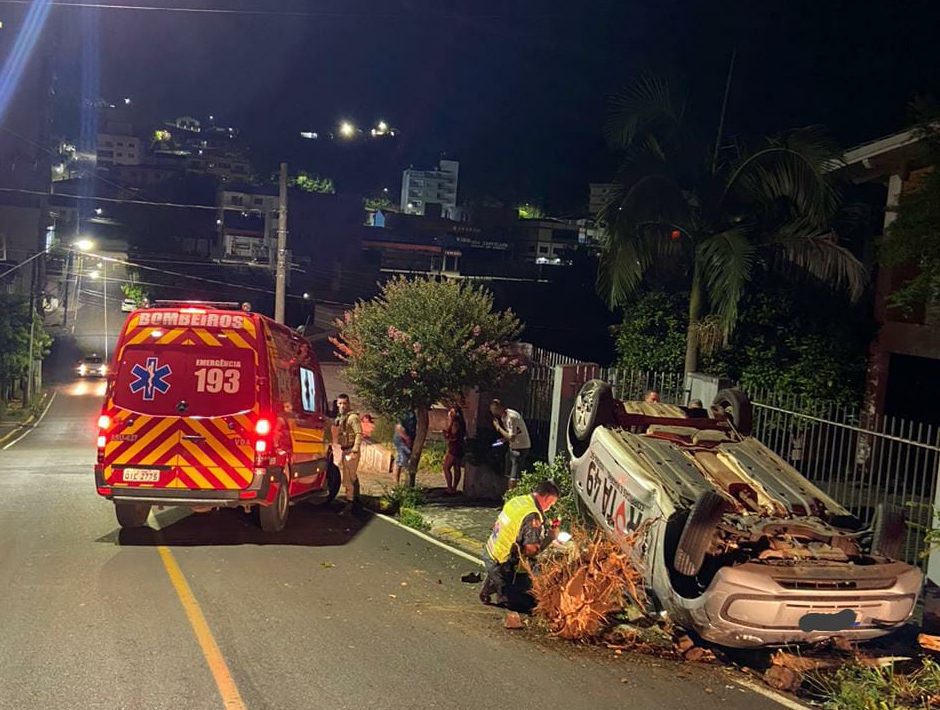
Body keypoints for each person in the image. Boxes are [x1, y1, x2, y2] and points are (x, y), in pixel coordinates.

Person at [480, 480, 560, 606]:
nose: (550, 507)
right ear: (545, 497)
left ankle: (494, 583)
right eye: (551, 503)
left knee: (511, 570)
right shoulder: (532, 516)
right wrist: (550, 538)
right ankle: (504, 590)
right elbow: (531, 550)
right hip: (503, 564)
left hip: (491, 552)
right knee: (529, 603)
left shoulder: (519, 500)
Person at [490, 399, 531, 490]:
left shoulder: (511, 417)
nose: (492, 412)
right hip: (512, 446)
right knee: (508, 473)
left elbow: (512, 437)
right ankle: (509, 492)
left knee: (514, 476)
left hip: (520, 447)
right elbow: (514, 433)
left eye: (493, 409)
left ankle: (511, 495)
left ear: (498, 407)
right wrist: (504, 439)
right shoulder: (503, 417)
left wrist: (498, 428)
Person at [334, 393, 362, 514]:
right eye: (340, 403)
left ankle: (352, 503)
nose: (342, 406)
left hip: (351, 450)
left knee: (349, 478)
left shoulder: (352, 418)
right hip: (345, 450)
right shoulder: (340, 418)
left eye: (344, 403)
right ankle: (354, 501)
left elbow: (359, 434)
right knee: (349, 477)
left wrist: (355, 449)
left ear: (348, 404)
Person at [442, 406, 467, 495]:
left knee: (446, 467)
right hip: (460, 448)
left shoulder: (455, 423)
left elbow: (453, 436)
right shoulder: (461, 423)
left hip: (454, 448)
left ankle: (450, 487)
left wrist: (446, 435)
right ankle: (454, 487)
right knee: (457, 467)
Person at [392, 412, 414, 486]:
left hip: (405, 438)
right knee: (403, 461)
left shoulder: (411, 411)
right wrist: (406, 438)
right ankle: (398, 485)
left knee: (402, 460)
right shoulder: (405, 411)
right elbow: (399, 427)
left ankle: (401, 485)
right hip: (402, 439)